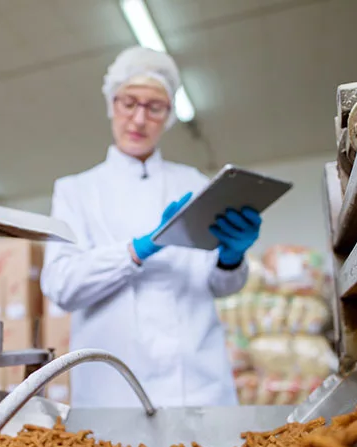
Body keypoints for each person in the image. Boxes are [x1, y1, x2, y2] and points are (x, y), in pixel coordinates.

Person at [40, 46, 262, 409]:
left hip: (198, 385)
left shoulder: (193, 183)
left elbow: (220, 286)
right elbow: (61, 286)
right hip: (114, 394)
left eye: (154, 107)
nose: (140, 119)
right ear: (111, 105)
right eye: (129, 103)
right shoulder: (75, 191)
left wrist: (231, 259)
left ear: (169, 115)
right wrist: (137, 249)